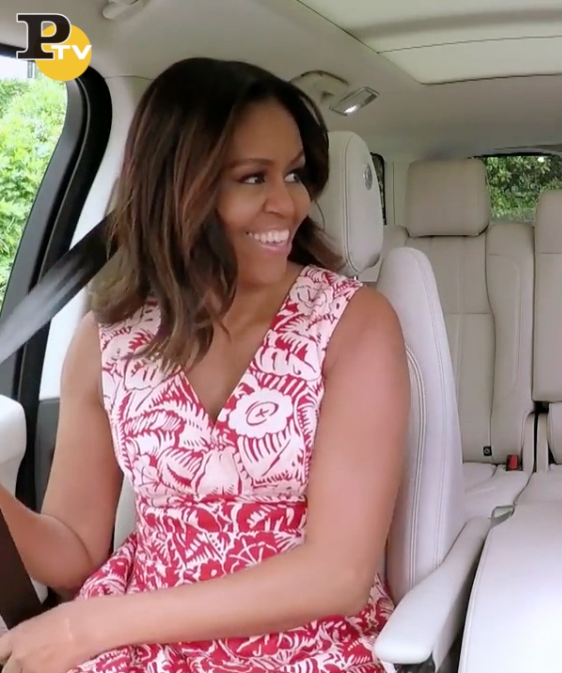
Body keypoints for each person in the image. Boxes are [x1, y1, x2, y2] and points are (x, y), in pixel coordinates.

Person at [0, 57, 409, 672]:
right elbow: (76, 551)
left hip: (305, 645)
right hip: (138, 648)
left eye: (294, 174)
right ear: (179, 188)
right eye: (253, 178)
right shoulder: (105, 343)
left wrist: (91, 624)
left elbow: (338, 574)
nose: (289, 202)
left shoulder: (352, 323)